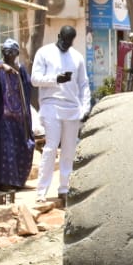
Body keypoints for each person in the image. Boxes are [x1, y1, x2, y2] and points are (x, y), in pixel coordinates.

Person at [31, 26, 91, 202]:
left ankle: (64, 188)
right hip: (51, 104)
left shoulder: (77, 57)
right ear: (59, 36)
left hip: (72, 108)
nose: (65, 43)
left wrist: (85, 108)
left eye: (69, 41)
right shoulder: (44, 53)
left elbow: (83, 85)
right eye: (63, 39)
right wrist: (55, 79)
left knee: (69, 150)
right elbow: (35, 79)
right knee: (50, 148)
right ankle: (41, 191)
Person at [0, 39, 35, 191]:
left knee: (21, 146)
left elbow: (26, 92)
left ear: (17, 53)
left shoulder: (22, 69)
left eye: (11, 52)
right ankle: (2, 182)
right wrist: (1, 66)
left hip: (19, 118)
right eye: (5, 52)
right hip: (2, 117)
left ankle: (17, 181)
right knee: (4, 149)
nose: (8, 55)